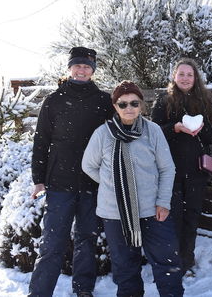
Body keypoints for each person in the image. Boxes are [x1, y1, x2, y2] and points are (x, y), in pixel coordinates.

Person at [82, 81, 184, 296]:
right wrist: (115, 184)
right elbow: (88, 166)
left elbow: (167, 168)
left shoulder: (153, 130)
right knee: (125, 268)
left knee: (167, 263)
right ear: (115, 106)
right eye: (123, 104)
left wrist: (163, 202)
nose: (129, 108)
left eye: (134, 103)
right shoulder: (102, 134)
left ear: (141, 105)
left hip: (153, 211)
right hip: (115, 213)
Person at [29, 47, 114, 297]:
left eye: (87, 66)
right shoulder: (54, 100)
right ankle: (39, 292)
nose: (82, 70)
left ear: (93, 71)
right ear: (70, 68)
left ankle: (83, 290)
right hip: (59, 184)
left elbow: (113, 140)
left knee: (86, 240)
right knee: (52, 244)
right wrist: (38, 180)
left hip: (92, 184)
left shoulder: (103, 101)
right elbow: (41, 141)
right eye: (77, 65)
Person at [151, 58, 212, 277]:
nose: (185, 78)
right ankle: (171, 262)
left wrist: (201, 128)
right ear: (174, 76)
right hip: (170, 171)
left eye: (189, 74)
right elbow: (154, 133)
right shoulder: (163, 101)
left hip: (196, 172)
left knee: (191, 217)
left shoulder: (205, 102)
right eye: (181, 74)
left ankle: (186, 263)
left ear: (195, 78)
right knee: (172, 217)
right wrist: (176, 128)